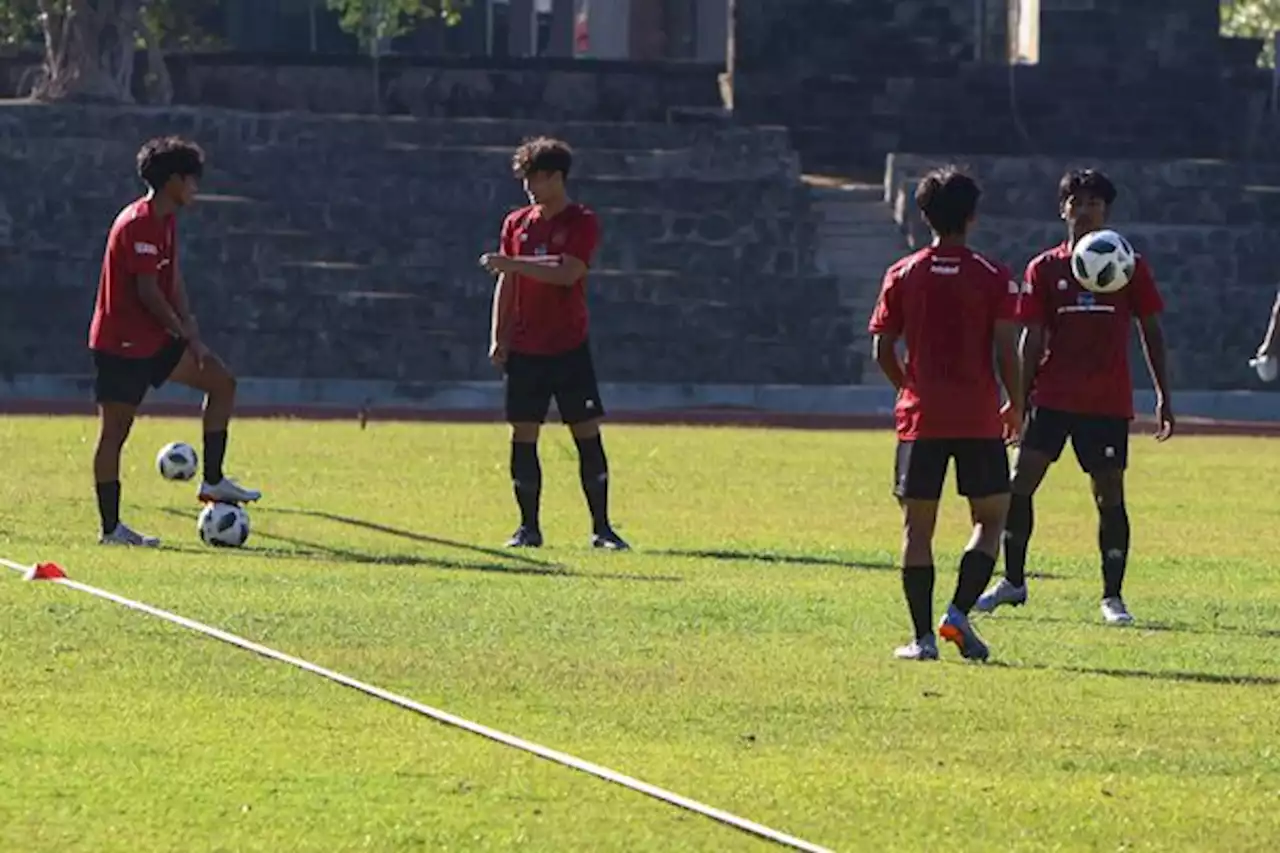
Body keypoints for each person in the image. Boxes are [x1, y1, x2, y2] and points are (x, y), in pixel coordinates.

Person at [975, 169, 1174, 625]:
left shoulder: (1129, 265)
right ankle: (1013, 581)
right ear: (1062, 208)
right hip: (1052, 397)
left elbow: (1151, 330)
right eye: (1076, 202)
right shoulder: (1045, 267)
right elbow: (1031, 338)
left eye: (1094, 203)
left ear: (1107, 211)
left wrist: (1163, 393)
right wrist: (1019, 400)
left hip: (1105, 400)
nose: (1084, 211)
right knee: (1018, 483)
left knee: (1109, 493)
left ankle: (1112, 596)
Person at [868, 166, 1022, 662]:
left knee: (918, 529)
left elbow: (882, 349)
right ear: (972, 217)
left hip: (922, 418)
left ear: (924, 216)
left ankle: (922, 639)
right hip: (978, 416)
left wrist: (907, 388)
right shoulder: (994, 275)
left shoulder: (902, 273)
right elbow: (1006, 350)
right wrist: (1016, 403)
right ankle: (957, 612)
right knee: (991, 519)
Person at [89, 136, 261, 547]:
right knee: (114, 434)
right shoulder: (138, 222)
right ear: (172, 182)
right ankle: (111, 529)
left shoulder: (166, 220)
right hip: (122, 344)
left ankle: (214, 480)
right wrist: (182, 332)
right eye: (191, 180)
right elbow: (148, 291)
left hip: (155, 338)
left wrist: (193, 334)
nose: (196, 189)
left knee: (222, 382)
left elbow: (173, 280)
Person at [479, 137, 628, 551]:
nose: (529, 187)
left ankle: (602, 528)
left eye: (537, 178)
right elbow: (507, 283)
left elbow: (568, 272)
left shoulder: (581, 221)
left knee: (585, 432)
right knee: (523, 433)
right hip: (526, 346)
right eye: (526, 178)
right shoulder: (517, 223)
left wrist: (513, 264)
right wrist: (499, 335)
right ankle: (528, 528)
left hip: (567, 344)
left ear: (557, 178)